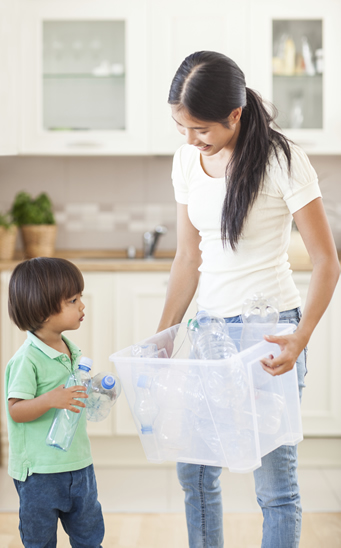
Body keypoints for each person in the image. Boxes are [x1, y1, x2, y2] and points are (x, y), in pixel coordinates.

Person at [157, 51, 340, 548]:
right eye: (181, 127)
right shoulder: (185, 161)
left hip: (270, 335)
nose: (191, 140)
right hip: (210, 333)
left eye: (202, 130)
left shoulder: (283, 159)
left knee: (274, 488)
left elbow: (327, 261)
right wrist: (165, 334)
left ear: (234, 115)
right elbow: (187, 258)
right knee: (195, 472)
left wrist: (300, 337)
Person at [5, 257, 104, 548]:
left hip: (79, 464)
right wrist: (50, 399)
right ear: (43, 310)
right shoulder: (27, 360)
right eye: (73, 300)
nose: (82, 306)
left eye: (80, 298)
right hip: (40, 473)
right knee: (40, 541)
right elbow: (15, 410)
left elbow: (70, 398)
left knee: (89, 536)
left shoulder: (72, 352)